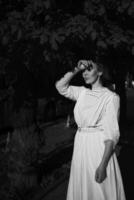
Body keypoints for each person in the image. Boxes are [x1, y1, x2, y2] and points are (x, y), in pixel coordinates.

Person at [55, 58, 126, 200]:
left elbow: (111, 134)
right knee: (82, 187)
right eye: (84, 71)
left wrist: (103, 164)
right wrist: (77, 68)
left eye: (89, 69)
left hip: (97, 147)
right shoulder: (82, 92)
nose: (84, 74)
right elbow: (60, 86)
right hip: (81, 143)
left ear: (99, 72)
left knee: (99, 189)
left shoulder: (111, 97)